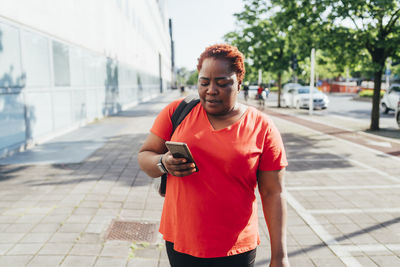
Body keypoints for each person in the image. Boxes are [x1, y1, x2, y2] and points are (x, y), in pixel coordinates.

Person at [138, 44, 289, 267]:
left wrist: (280, 256)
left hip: (236, 249)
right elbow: (145, 156)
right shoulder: (177, 112)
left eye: (222, 82)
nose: (211, 90)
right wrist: (163, 162)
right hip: (181, 241)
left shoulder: (262, 126)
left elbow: (273, 192)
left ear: (239, 82)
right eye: (204, 82)